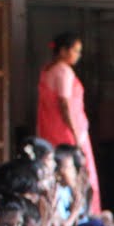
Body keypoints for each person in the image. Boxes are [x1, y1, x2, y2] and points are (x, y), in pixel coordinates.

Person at [35, 32, 99, 213]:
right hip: (67, 131)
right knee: (78, 172)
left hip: (51, 130)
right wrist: (75, 132)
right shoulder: (63, 71)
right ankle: (82, 211)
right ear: (63, 51)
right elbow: (64, 103)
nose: (78, 55)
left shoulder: (47, 69)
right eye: (75, 51)